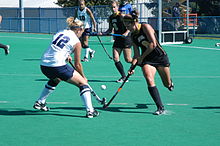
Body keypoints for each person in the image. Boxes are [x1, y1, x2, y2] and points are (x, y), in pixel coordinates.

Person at [33, 17, 99, 118]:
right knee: (82, 83)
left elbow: (58, 47)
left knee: (56, 79)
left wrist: (67, 54)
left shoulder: (60, 32)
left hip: (44, 65)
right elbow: (78, 64)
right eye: (82, 31)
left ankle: (40, 102)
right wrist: (83, 77)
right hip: (57, 65)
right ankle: (90, 111)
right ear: (79, 30)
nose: (82, 33)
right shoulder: (77, 42)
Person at [123, 11, 174, 115]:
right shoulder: (133, 36)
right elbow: (136, 55)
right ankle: (160, 107)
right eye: (126, 26)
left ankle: (170, 83)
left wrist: (141, 57)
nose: (128, 28)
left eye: (129, 25)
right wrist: (132, 67)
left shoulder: (145, 27)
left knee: (166, 84)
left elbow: (153, 44)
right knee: (149, 79)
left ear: (134, 22)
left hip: (160, 57)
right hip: (148, 60)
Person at [102, 0, 132, 83]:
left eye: (114, 7)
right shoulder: (111, 17)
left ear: (118, 7)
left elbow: (130, 27)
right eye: (111, 7)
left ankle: (141, 63)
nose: (113, 9)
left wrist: (126, 33)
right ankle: (124, 77)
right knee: (115, 58)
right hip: (118, 39)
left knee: (128, 60)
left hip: (126, 39)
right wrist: (103, 33)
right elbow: (110, 29)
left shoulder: (122, 16)